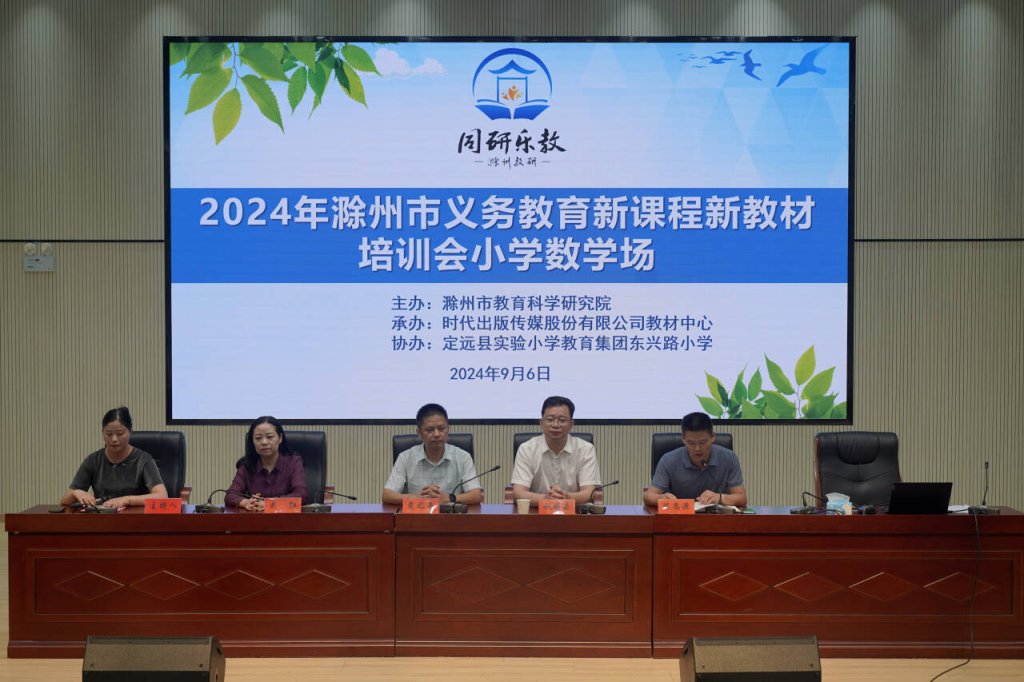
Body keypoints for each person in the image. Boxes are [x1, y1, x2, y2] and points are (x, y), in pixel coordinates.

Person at [61, 407, 168, 509]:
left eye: (120, 434)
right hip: (104, 517)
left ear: (130, 432)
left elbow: (162, 496)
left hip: (136, 518)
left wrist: (127, 500)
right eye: (109, 434)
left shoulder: (143, 460)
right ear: (102, 432)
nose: (114, 439)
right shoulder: (93, 460)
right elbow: (64, 501)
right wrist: (76, 493)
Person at [383, 403, 483, 505]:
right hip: (416, 514)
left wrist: (449, 498)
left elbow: (477, 495)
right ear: (419, 433)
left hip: (452, 514)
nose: (436, 434)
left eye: (441, 428)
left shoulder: (463, 457)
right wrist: (416, 497)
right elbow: (387, 495)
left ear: (448, 429)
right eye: (430, 430)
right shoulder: (405, 458)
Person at [511, 396, 601, 507]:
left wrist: (566, 497)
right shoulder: (527, 449)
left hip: (575, 512)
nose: (555, 425)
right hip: (536, 512)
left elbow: (589, 492)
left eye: (562, 420)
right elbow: (519, 493)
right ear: (541, 423)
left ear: (571, 424)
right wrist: (546, 499)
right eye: (550, 419)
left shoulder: (585, 449)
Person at [643, 411, 747, 508]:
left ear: (712, 437)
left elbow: (741, 498)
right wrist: (662, 498)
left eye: (702, 442)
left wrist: (720, 498)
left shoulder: (729, 458)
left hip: (716, 518)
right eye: (691, 443)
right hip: (679, 517)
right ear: (683, 439)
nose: (697, 449)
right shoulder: (668, 460)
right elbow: (648, 496)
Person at [226, 416, 308, 510]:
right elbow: (231, 495)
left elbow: (301, 495)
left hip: (286, 517)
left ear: (280, 438)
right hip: (256, 517)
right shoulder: (247, 465)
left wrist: (270, 503)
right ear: (252, 441)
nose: (264, 442)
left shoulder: (293, 463)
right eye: (258, 438)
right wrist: (245, 502)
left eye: (269, 437)